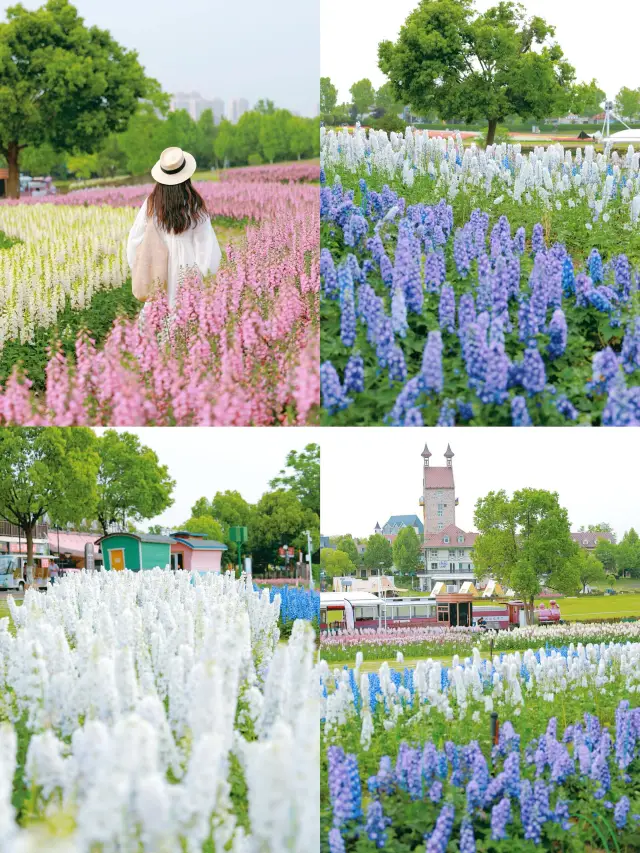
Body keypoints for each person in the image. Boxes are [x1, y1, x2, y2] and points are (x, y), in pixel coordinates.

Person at [127, 147, 222, 312]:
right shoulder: (195, 205)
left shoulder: (151, 203)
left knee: (158, 312)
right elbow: (206, 245)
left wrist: (139, 263)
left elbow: (135, 239)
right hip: (188, 267)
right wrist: (206, 271)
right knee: (188, 312)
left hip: (158, 266)